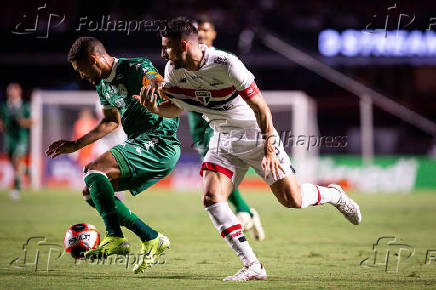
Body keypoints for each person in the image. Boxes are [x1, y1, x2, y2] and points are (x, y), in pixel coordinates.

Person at [135, 18, 362, 282]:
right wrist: (155, 109)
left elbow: (261, 107)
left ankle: (333, 194)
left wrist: (268, 150)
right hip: (222, 140)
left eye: (167, 48)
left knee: (293, 200)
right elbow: (180, 106)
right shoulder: (174, 70)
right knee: (211, 198)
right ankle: (253, 265)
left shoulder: (226, 64)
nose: (163, 54)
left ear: (184, 44)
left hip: (256, 136)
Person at [46, 37, 180, 274]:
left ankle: (115, 236)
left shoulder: (135, 67)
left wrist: (158, 88)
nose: (81, 75)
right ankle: (152, 238)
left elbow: (157, 81)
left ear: (92, 59)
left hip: (159, 141)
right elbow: (110, 122)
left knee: (94, 170)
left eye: (81, 70)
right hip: (140, 143)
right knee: (91, 191)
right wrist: (76, 144)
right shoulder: (102, 85)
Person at [189, 17, 264, 240]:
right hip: (197, 122)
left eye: (204, 30)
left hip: (220, 121)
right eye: (195, 30)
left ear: (213, 34)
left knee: (217, 168)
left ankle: (242, 210)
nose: (200, 34)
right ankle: (247, 211)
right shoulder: (184, 60)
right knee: (210, 168)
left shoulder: (221, 60)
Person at [0, 83, 32, 200]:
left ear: (19, 92)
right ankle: (27, 170)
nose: (12, 93)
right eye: (11, 91)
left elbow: (32, 121)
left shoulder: (24, 105)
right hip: (9, 138)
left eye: (15, 91)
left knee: (16, 160)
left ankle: (16, 189)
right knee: (13, 163)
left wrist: (22, 121)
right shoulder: (4, 106)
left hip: (21, 137)